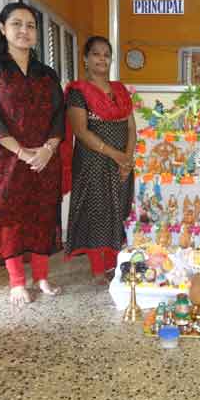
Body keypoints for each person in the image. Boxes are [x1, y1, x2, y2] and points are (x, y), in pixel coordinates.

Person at [0, 2, 64, 306]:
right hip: (7, 159)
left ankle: (41, 276)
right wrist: (22, 152)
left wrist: (48, 149)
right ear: (3, 28)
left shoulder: (47, 74)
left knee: (42, 215)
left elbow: (59, 115)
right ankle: (16, 282)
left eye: (30, 25)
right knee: (11, 218)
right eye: (16, 24)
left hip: (45, 159)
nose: (24, 30)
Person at [61, 36, 135, 285]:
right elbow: (81, 132)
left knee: (118, 211)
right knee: (96, 213)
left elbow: (131, 127)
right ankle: (97, 269)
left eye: (106, 54)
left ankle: (114, 265)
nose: (102, 58)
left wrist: (127, 159)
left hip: (121, 163)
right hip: (92, 163)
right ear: (85, 59)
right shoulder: (78, 92)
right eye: (96, 53)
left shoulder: (120, 90)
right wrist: (117, 155)